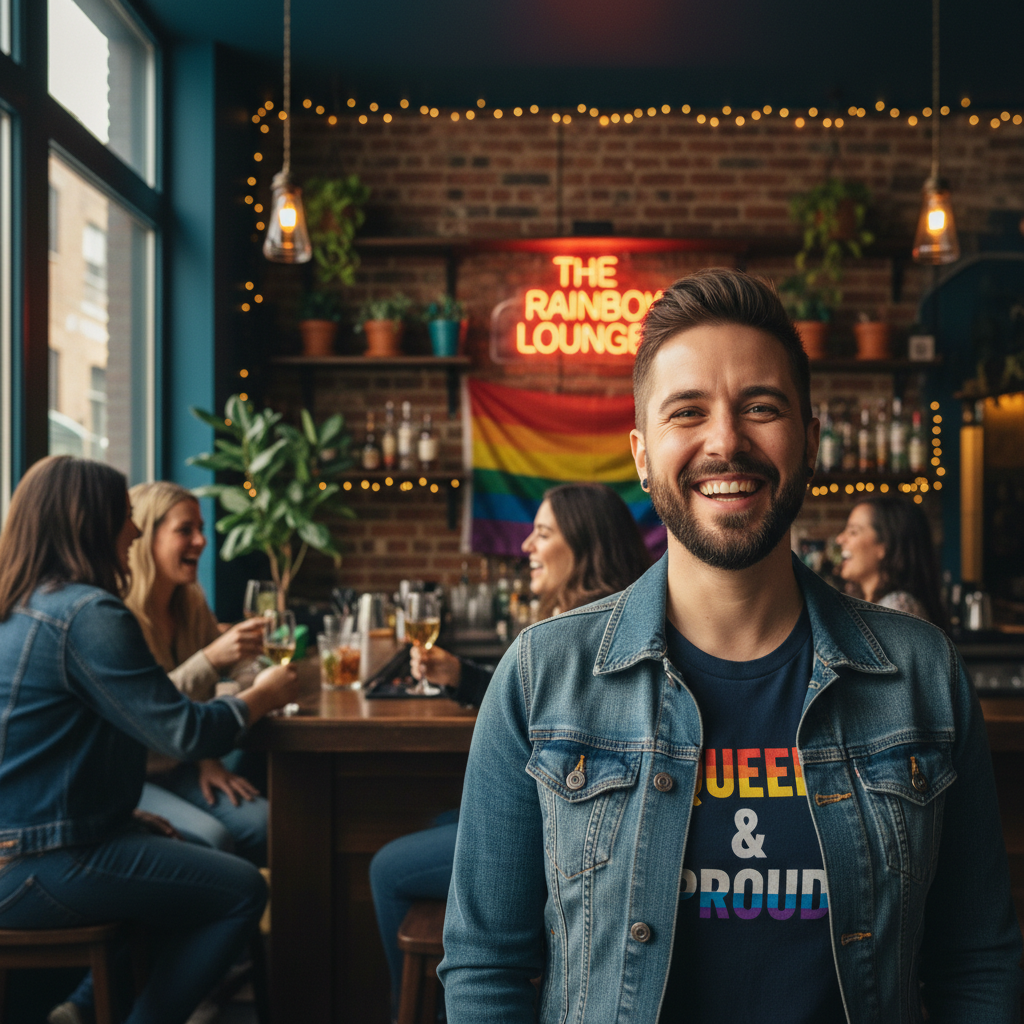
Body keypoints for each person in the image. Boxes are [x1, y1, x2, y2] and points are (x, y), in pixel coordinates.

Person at [439, 269, 1021, 1022]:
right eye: (687, 411)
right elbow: (488, 967)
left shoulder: (921, 674)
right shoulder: (540, 677)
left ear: (809, 441)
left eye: (761, 407)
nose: (726, 441)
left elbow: (976, 962)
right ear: (642, 453)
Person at [0, 456, 301, 1024]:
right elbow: (185, 730)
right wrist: (260, 694)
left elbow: (47, 756)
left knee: (197, 855)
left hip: (29, 847)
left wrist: (124, 820)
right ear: (90, 522)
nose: (134, 530)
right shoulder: (88, 613)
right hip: (42, 862)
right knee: (240, 890)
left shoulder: (23, 604)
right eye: (124, 516)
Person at [370, 482, 650, 1015]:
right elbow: (550, 721)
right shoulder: (573, 625)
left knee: (387, 869)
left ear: (585, 546)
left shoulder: (592, 634)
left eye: (542, 533)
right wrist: (463, 677)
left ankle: (403, 1008)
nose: (526, 546)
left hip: (582, 842)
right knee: (439, 820)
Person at [126, 481, 268, 864]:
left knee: (266, 824)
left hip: (185, 763)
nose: (201, 541)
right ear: (144, 536)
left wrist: (208, 759)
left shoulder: (190, 601)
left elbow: (220, 682)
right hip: (132, 776)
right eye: (184, 530)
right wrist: (210, 659)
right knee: (215, 838)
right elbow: (144, 709)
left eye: (201, 529)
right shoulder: (119, 616)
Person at [836, 494, 948, 626]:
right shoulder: (885, 606)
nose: (840, 539)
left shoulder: (897, 607)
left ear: (885, 546)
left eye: (853, 532)